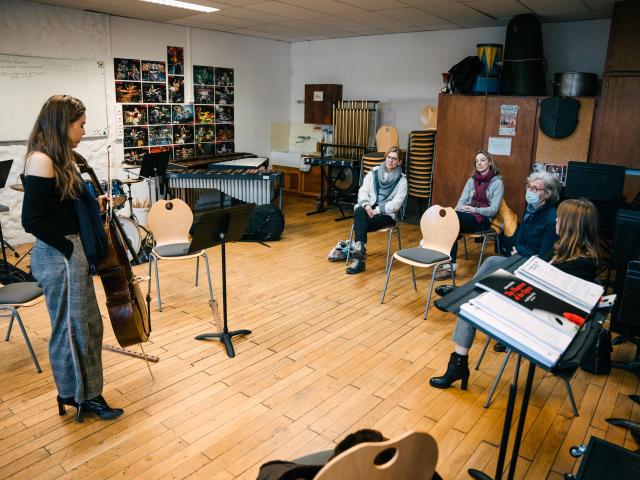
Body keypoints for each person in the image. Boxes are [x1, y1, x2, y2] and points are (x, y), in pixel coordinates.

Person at [21, 95, 123, 422]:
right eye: (79, 124)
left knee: (87, 326)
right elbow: (31, 220)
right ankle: (83, 395)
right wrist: (68, 250)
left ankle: (77, 391)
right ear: (62, 124)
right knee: (73, 329)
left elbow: (65, 206)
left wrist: (96, 204)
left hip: (70, 250)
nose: (84, 129)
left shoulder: (60, 157)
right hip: (59, 254)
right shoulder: (41, 160)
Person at [429, 195, 599, 391]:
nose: (556, 221)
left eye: (560, 218)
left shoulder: (581, 265)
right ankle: (465, 302)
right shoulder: (561, 249)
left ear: (572, 225)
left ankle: (458, 363)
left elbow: (554, 305)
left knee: (469, 305)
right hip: (529, 299)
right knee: (488, 273)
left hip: (539, 319)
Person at [435, 150, 504, 280]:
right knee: (448, 220)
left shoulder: (497, 183)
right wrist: (454, 212)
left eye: (483, 160)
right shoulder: (471, 180)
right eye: (477, 161)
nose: (479, 163)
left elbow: (494, 210)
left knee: (451, 223)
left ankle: (445, 262)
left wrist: (474, 210)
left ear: (490, 162)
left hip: (483, 219)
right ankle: (448, 265)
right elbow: (461, 202)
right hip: (465, 215)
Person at [347, 146, 408, 274]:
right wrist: (367, 206)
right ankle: (360, 250)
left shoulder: (402, 180)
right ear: (386, 157)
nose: (391, 161)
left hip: (385, 215)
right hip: (369, 209)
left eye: (394, 159)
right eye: (389, 157)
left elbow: (396, 204)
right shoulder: (374, 172)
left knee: (360, 223)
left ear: (399, 162)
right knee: (360, 210)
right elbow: (363, 191)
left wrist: (377, 210)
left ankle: (359, 260)